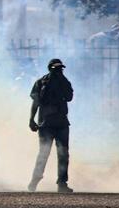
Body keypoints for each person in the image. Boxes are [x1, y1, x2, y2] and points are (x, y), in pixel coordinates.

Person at [28, 58, 74, 193]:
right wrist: (31, 119)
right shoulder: (41, 82)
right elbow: (35, 102)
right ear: (50, 68)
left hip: (61, 123)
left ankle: (62, 183)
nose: (59, 71)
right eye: (56, 69)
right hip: (45, 124)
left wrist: (62, 80)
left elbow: (70, 97)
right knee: (43, 153)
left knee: (63, 153)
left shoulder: (64, 82)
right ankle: (34, 181)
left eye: (61, 69)